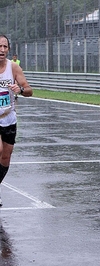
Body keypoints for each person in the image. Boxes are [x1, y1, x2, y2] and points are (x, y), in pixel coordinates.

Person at [0, 35, 33, 206]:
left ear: (9, 49)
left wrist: (19, 89)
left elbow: (29, 90)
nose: (2, 50)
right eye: (0, 46)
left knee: (5, 157)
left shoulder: (13, 68)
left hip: (8, 118)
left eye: (5, 47)